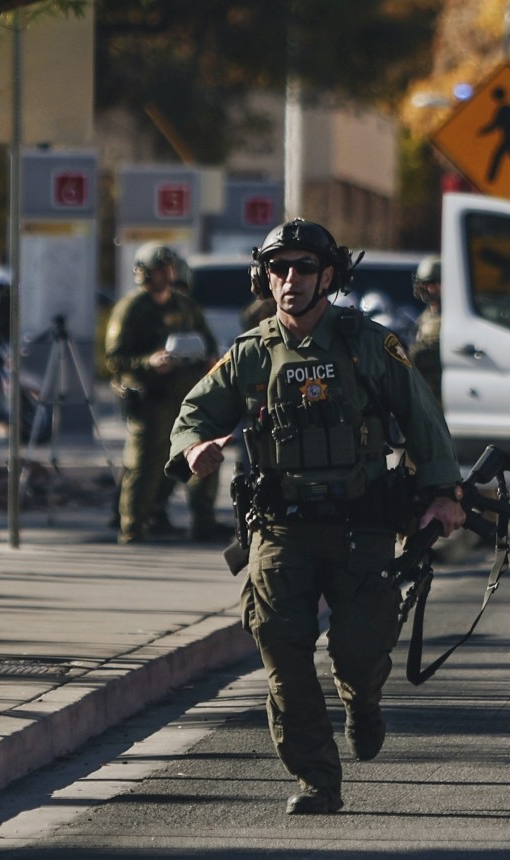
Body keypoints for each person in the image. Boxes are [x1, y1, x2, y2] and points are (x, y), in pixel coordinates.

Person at [166, 219, 465, 815]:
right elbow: (195, 411)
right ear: (264, 277)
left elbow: (421, 415)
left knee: (358, 648)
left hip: (362, 524)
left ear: (328, 276)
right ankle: (317, 781)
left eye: (304, 267)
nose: (290, 279)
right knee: (282, 651)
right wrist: (194, 447)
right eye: (279, 268)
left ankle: (361, 697)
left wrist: (443, 491)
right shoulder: (252, 353)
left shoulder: (368, 343)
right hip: (282, 529)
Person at [105, 243, 228, 545]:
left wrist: (210, 358)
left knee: (203, 456)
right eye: (159, 269)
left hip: (188, 396)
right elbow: (115, 358)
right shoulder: (132, 309)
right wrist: (150, 362)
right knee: (144, 463)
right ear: (144, 273)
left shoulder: (184, 305)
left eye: (169, 268)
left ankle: (203, 521)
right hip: (151, 398)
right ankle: (132, 527)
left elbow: (207, 341)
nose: (166, 274)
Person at [408, 255, 442, 404]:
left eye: (432, 283)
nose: (428, 289)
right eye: (424, 284)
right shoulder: (424, 317)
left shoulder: (453, 316)